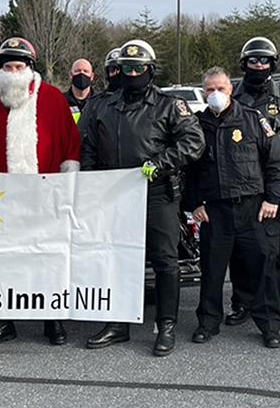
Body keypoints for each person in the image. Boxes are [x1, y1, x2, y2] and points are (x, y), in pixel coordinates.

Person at [80, 39, 205, 356]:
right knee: (117, 260)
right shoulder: (101, 106)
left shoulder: (169, 105)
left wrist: (161, 163)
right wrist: (92, 186)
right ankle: (118, 324)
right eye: (126, 68)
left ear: (151, 71)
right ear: (117, 71)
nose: (132, 74)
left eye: (139, 68)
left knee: (165, 262)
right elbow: (89, 149)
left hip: (157, 194)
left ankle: (166, 326)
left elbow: (194, 141)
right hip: (114, 196)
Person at [0, 37, 82, 348]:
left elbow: (70, 140)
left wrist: (67, 178)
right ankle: (3, 321)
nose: (14, 71)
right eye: (8, 66)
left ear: (31, 68)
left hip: (43, 194)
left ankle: (52, 318)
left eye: (20, 66)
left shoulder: (53, 99)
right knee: (0, 258)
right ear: (0, 69)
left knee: (47, 255)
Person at [186, 67, 280, 348]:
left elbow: (277, 162)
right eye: (210, 90)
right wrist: (194, 203)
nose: (215, 94)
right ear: (204, 92)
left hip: (252, 208)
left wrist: (273, 199)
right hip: (214, 211)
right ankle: (208, 322)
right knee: (212, 271)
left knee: (262, 270)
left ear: (231, 89)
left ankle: (269, 325)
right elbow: (189, 171)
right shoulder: (196, 125)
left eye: (221, 88)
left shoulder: (255, 120)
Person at [227, 36, 280, 329]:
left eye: (264, 60)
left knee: (276, 251)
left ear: (272, 64)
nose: (258, 65)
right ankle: (242, 302)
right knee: (240, 251)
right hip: (243, 186)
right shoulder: (232, 97)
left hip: (279, 187)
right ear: (244, 64)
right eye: (253, 60)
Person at [64, 58, 96, 123]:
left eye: (85, 71)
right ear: (70, 75)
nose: (81, 73)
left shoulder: (100, 103)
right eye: (77, 71)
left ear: (92, 76)